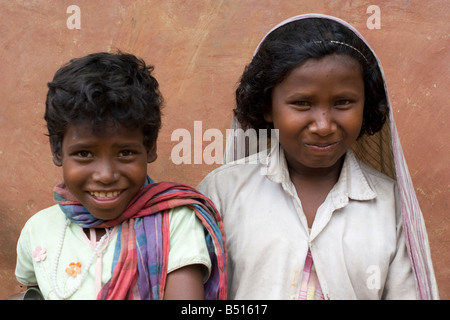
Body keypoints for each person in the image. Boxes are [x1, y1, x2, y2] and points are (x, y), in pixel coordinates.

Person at [198, 14, 438, 300]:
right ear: (267, 106)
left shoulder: (392, 206)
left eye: (343, 102)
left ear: (367, 104)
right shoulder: (222, 191)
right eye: (302, 103)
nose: (323, 125)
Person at [14, 52, 226, 300]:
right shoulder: (39, 229)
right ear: (58, 152)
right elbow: (32, 292)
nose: (105, 175)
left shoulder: (175, 222)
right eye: (84, 153)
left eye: (125, 153)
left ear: (150, 148)